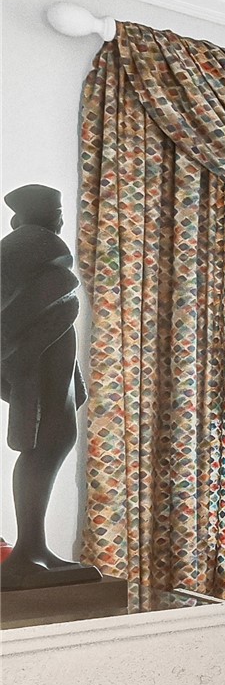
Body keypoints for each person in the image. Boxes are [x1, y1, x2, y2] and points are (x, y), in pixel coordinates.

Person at [1, 183, 98, 588]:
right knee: (43, 446)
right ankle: (27, 552)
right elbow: (19, 316)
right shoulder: (34, 246)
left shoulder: (34, 250)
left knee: (52, 444)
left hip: (51, 374)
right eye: (56, 209)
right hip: (39, 374)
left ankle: (35, 548)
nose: (61, 217)